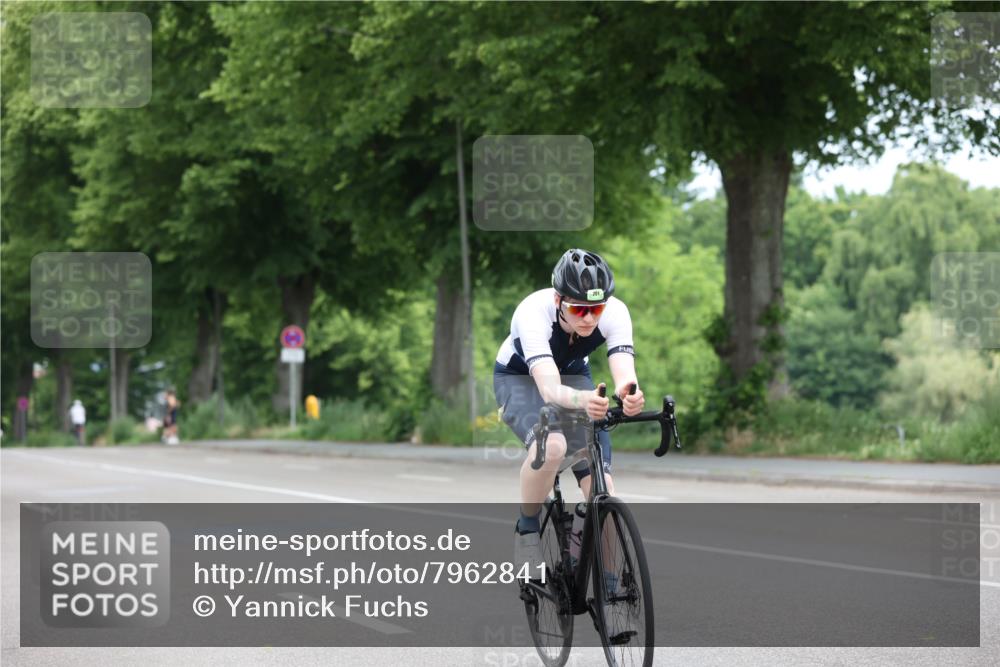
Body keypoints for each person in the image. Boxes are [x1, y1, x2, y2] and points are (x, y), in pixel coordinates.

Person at [493, 249, 645, 577]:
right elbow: (549, 390)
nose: (589, 318)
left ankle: (611, 586)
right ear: (559, 299)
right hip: (521, 379)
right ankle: (528, 528)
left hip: (574, 376)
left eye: (596, 309)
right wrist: (584, 400)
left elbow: (624, 370)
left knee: (602, 490)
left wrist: (629, 393)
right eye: (579, 308)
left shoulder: (616, 312)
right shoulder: (533, 312)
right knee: (553, 447)